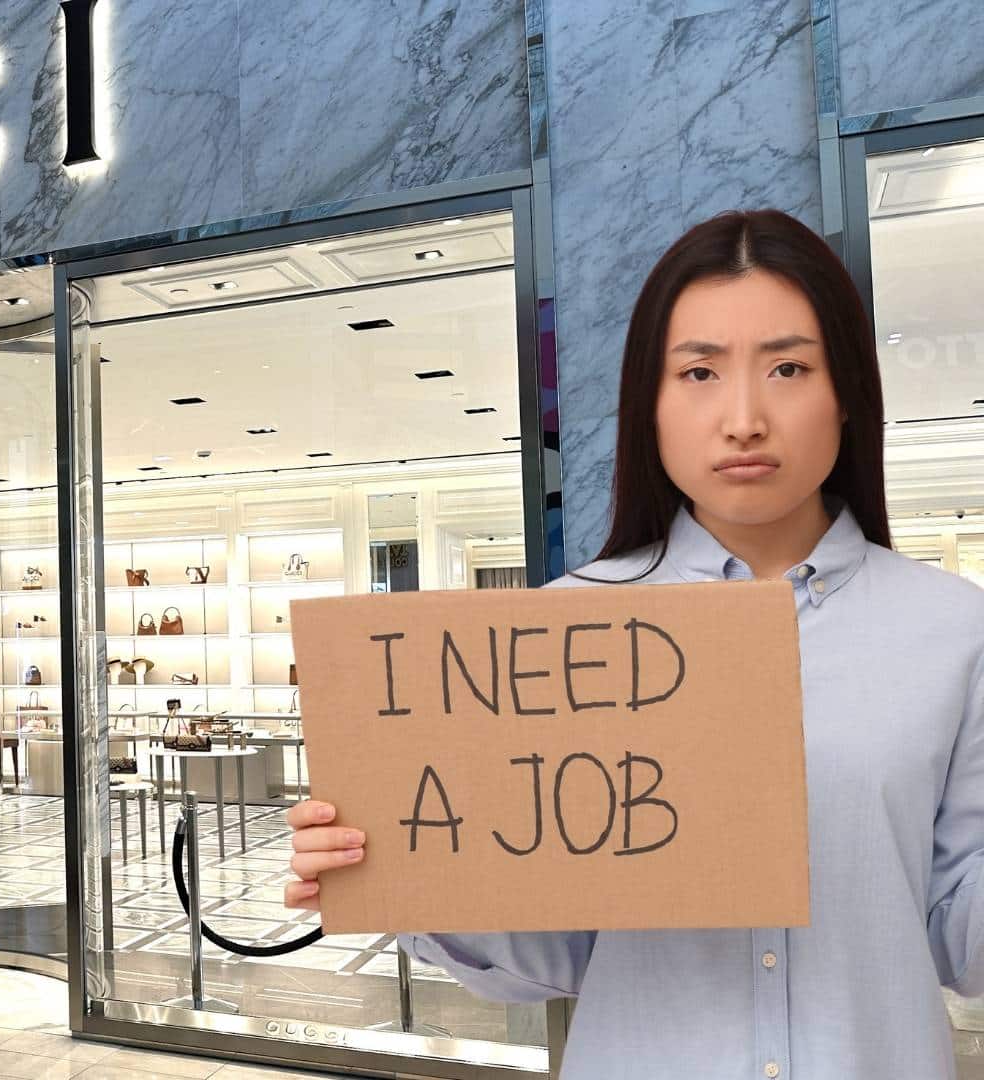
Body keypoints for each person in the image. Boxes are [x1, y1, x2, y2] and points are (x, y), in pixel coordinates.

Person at [282, 209, 984, 1078]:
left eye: (788, 367)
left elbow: (960, 938)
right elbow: (555, 956)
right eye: (698, 372)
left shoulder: (954, 628)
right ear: (649, 404)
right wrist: (402, 869)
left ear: (846, 392)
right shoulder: (563, 629)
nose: (744, 418)